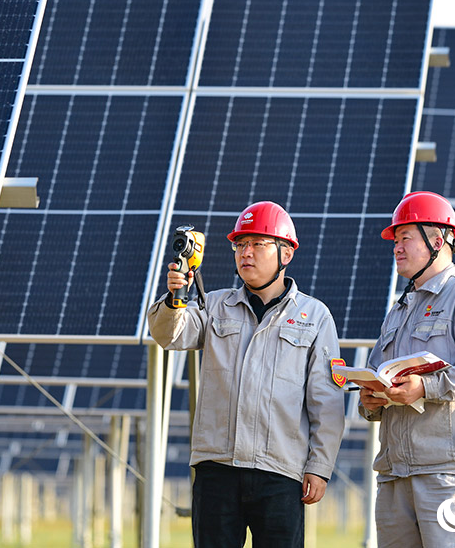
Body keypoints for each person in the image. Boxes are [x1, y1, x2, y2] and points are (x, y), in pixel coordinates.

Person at [147, 201, 347, 548]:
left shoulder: (314, 316)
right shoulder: (214, 305)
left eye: (257, 244)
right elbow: (170, 335)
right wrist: (176, 297)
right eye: (240, 245)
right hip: (217, 470)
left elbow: (326, 400)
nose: (246, 253)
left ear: (286, 253)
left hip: (280, 473)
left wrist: (319, 465)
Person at [354, 191, 455, 548]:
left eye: (405, 237)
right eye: (395, 240)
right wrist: (371, 399)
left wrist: (425, 388)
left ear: (438, 241)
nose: (397, 248)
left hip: (446, 473)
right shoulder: (399, 310)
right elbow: (378, 371)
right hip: (394, 474)